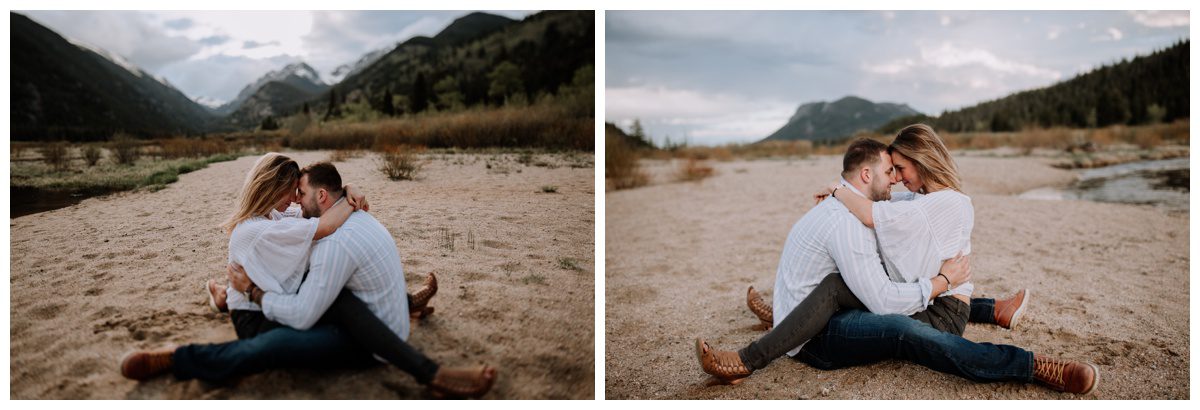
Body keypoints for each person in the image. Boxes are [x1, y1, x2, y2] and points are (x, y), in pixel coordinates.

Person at [696, 130, 1099, 395]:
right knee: (848, 285)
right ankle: (789, 319)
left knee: (900, 327)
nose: (898, 179)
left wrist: (841, 190)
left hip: (942, 307)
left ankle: (1034, 366)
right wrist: (843, 191)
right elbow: (884, 204)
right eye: (893, 171)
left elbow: (874, 215)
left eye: (900, 170)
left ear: (920, 164)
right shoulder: (918, 197)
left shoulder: (943, 204)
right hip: (932, 294)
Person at [120, 157, 496, 398]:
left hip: (273, 295)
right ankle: (175, 357)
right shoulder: (258, 229)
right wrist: (348, 196)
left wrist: (348, 190)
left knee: (343, 301)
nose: (296, 201)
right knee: (274, 347)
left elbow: (316, 213)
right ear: (273, 190)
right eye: (292, 192)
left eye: (299, 193)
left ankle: (405, 316)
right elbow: (324, 224)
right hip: (257, 316)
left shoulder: (277, 216)